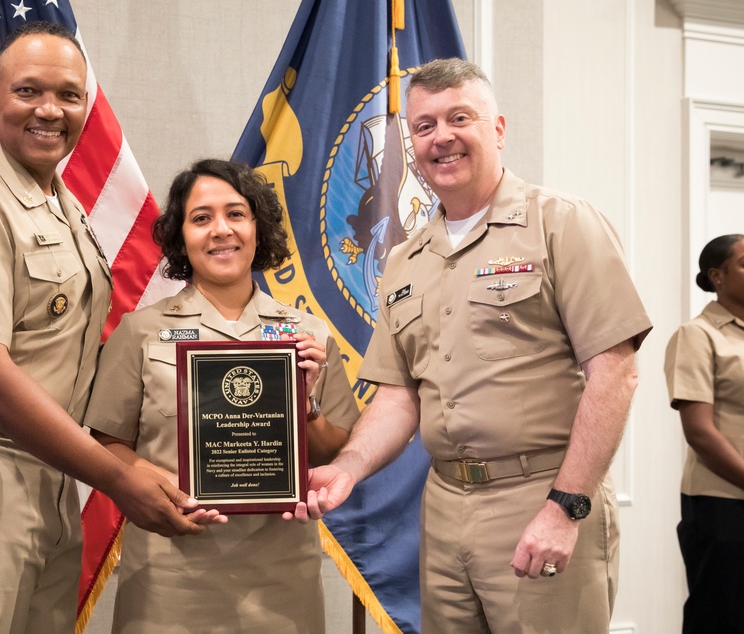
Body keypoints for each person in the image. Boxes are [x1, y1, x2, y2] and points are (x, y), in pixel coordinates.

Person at [292, 58, 653, 633]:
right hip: (444, 508)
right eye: (425, 125)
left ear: (499, 128)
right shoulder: (406, 260)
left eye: (460, 117)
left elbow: (616, 372)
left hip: (541, 495)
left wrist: (566, 507)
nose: (443, 137)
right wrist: (349, 468)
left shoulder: (560, 223)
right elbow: (398, 397)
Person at [0, 21, 207, 634]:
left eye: (69, 95)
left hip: (50, 468)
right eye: (29, 91)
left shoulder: (59, 202)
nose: (50, 110)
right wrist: (117, 478)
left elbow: (66, 347)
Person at [84, 158, 360, 633]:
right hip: (172, 572)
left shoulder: (308, 334)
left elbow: (335, 452)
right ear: (181, 237)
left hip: (281, 579)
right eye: (201, 218)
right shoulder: (140, 333)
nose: (221, 230)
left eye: (236, 214)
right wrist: (167, 489)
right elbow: (108, 446)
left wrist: (305, 403)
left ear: (258, 228)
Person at [664, 234, 744, 634]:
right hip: (724, 504)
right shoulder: (698, 336)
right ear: (718, 276)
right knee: (722, 617)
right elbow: (700, 433)